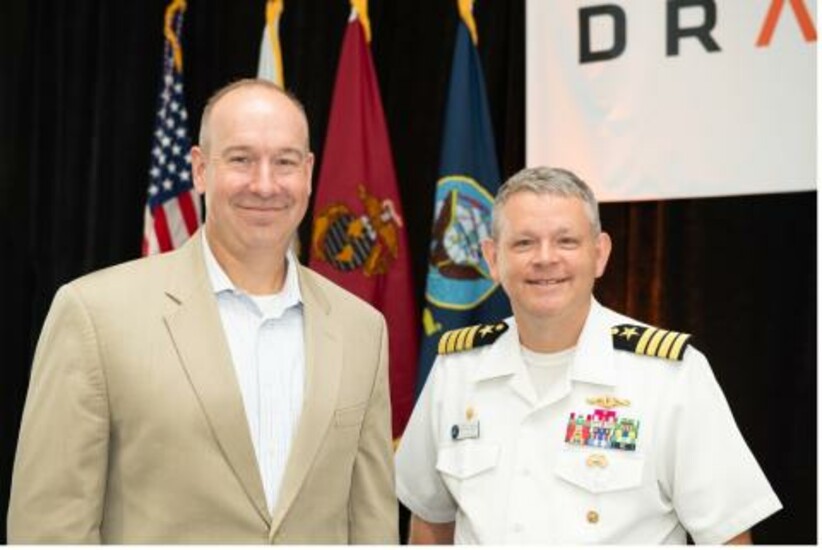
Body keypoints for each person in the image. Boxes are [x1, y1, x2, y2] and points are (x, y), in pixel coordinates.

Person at [8, 79, 397, 543]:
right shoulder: (94, 315)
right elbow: (48, 529)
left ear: (309, 172)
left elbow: (372, 525)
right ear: (198, 169)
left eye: (285, 162)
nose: (265, 183)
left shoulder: (362, 329)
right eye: (241, 159)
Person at [395, 166, 782, 544]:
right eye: (524, 242)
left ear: (599, 254)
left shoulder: (670, 375)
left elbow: (728, 535)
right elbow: (430, 520)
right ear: (493, 259)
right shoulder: (456, 370)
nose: (545, 258)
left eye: (566, 241)